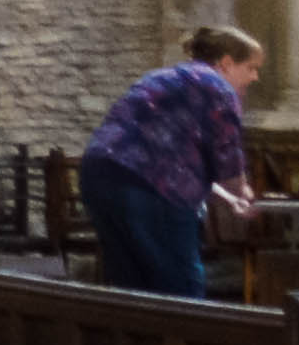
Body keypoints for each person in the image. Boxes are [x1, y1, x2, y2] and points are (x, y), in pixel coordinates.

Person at [74, 24, 261, 299]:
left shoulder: (165, 77)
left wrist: (229, 199)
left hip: (99, 176)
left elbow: (172, 161)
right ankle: (185, 340)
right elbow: (227, 155)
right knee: (180, 291)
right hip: (149, 191)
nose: (255, 77)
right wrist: (242, 191)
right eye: (252, 68)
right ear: (227, 63)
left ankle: (135, 342)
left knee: (131, 289)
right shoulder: (219, 87)